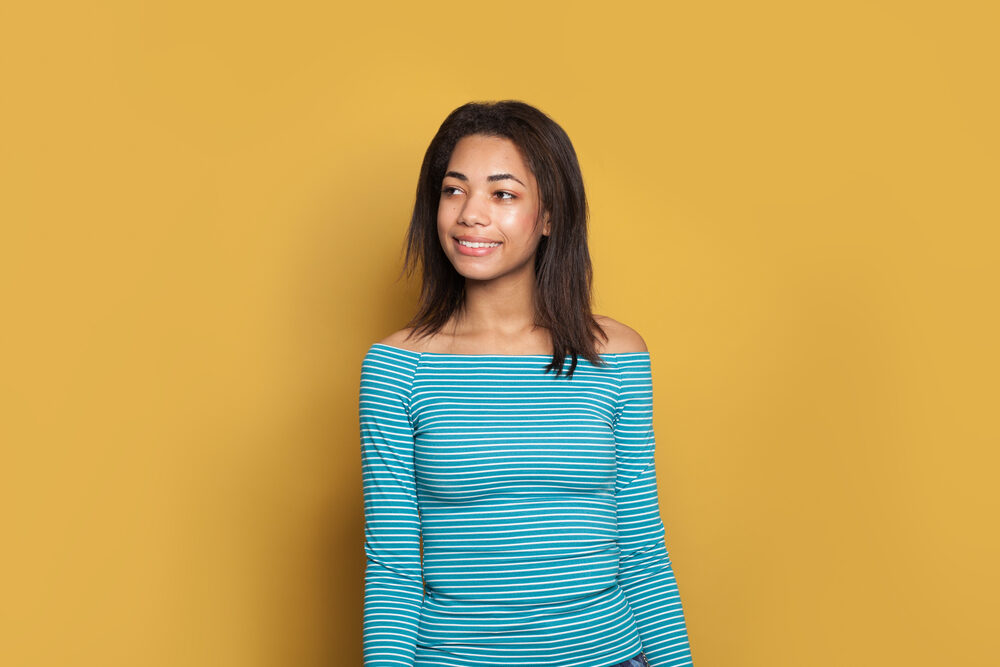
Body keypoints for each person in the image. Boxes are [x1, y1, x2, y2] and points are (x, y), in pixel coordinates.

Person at [359, 100, 694, 666]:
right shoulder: (398, 367)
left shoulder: (615, 355)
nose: (470, 214)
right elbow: (392, 568)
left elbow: (642, 550)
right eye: (454, 190)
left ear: (549, 216)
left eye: (503, 193)